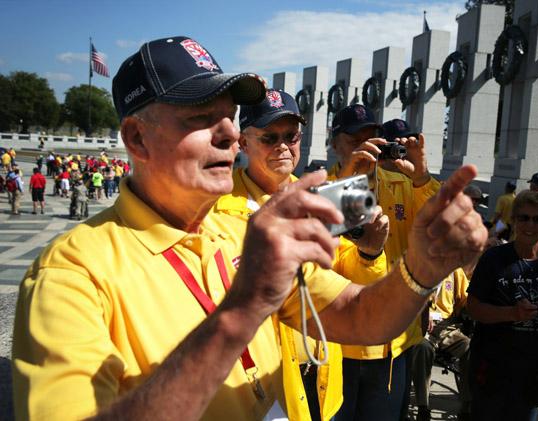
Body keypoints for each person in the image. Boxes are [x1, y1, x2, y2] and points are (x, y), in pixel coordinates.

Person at [12, 36, 487, 421]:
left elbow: (359, 311)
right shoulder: (72, 274)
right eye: (201, 118)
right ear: (137, 137)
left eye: (231, 118)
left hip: (340, 378)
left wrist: (422, 269)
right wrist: (247, 305)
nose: (228, 134)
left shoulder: (267, 215)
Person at [214, 89, 389, 421]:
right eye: (270, 137)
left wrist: (370, 252)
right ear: (243, 143)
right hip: (262, 386)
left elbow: (357, 280)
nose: (283, 146)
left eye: (291, 136)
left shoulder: (329, 194)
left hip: (324, 375)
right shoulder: (216, 208)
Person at [329, 111, 441, 420]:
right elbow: (334, 256)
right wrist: (352, 181)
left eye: (371, 139)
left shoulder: (403, 183)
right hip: (341, 345)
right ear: (334, 144)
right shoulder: (326, 189)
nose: (366, 147)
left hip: (393, 343)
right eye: (355, 141)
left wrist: (421, 176)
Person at [467, 190, 538, 420]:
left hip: (534, 373)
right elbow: (473, 308)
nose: (530, 224)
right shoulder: (493, 258)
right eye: (524, 217)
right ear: (514, 221)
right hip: (492, 369)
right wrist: (512, 313)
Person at [412, 267, 471, 421]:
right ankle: (423, 406)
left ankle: (467, 405)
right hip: (421, 328)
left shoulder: (455, 270)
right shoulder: (417, 265)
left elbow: (466, 299)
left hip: (447, 328)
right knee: (422, 348)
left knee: (469, 347)